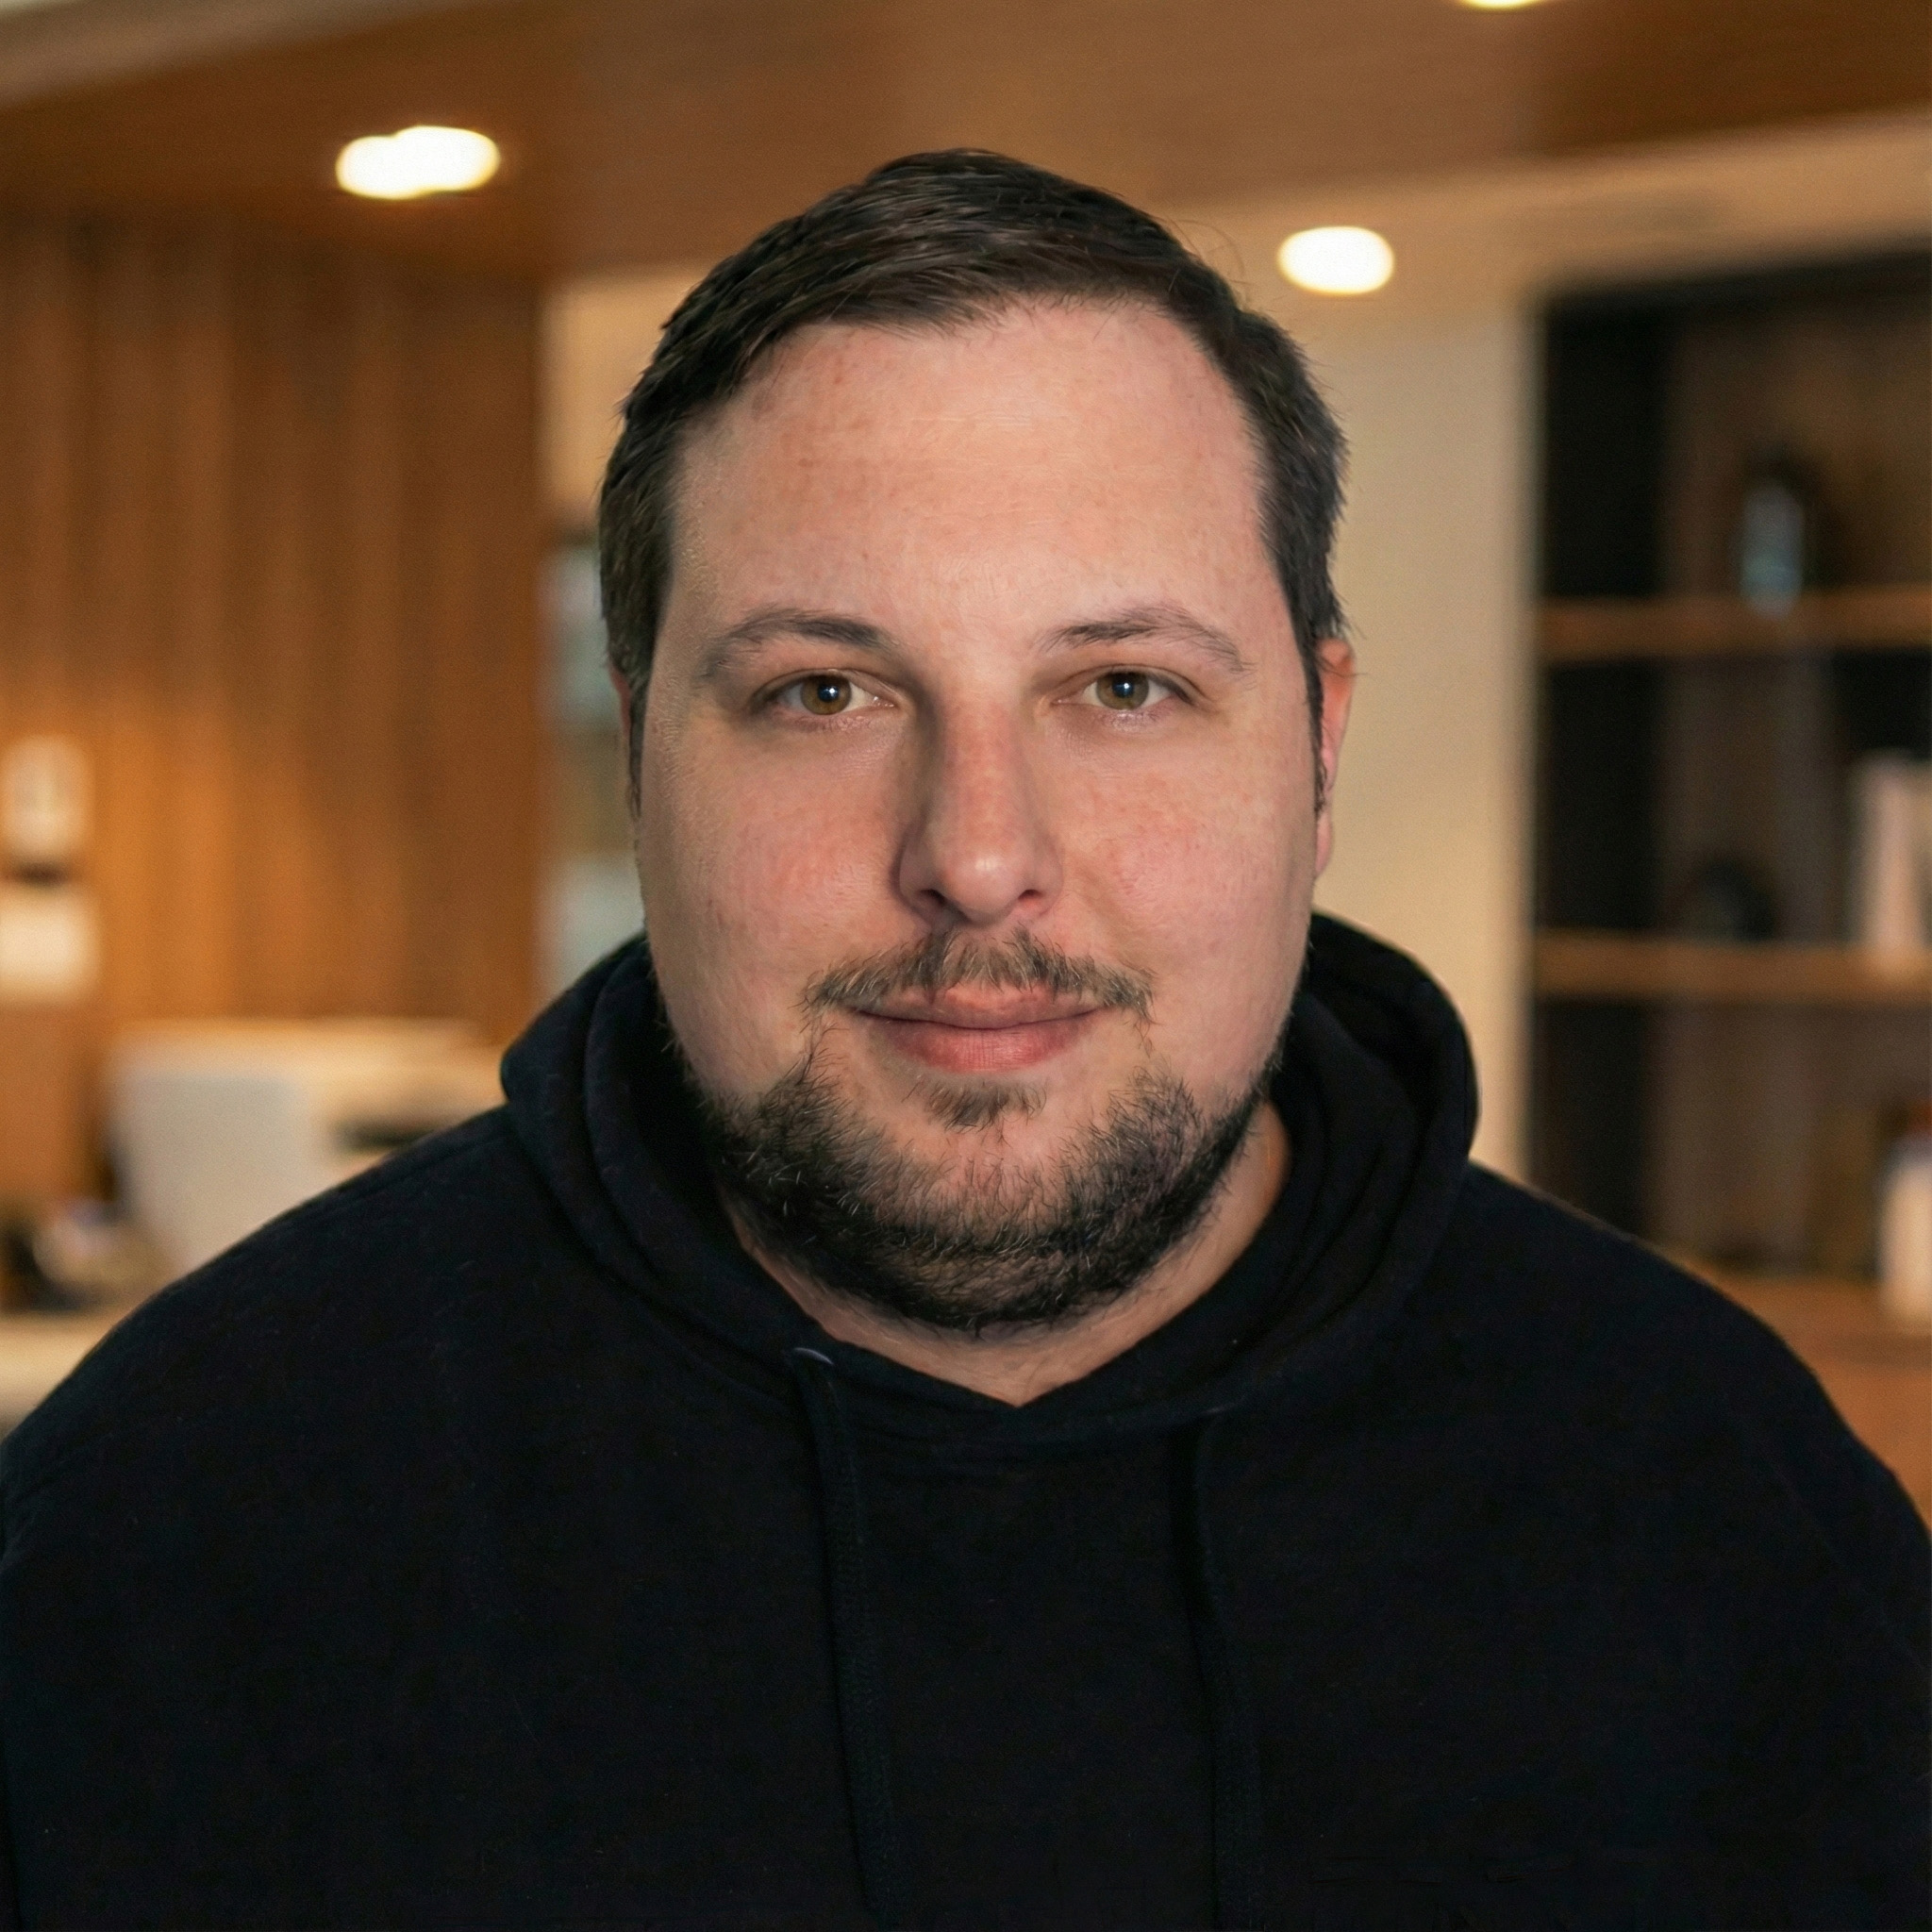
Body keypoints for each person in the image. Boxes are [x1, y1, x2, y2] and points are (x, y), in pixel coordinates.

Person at [1, 151, 1924, 1932]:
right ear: (640, 741)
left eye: (1124, 686)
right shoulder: (178, 1521)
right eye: (823, 692)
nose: (979, 857)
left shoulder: (1718, 1501)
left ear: (1319, 744)